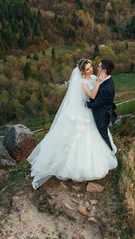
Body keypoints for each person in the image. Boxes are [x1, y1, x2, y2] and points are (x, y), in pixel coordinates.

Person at [27, 58, 117, 189]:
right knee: (80, 137)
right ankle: (73, 166)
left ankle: (106, 153)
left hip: (93, 112)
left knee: (96, 134)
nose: (91, 69)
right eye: (88, 69)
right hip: (85, 110)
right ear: (82, 71)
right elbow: (92, 96)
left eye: (91, 67)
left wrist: (98, 81)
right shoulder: (81, 82)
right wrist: (97, 84)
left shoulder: (94, 77)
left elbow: (101, 92)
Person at [86, 59, 117, 151]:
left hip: (101, 116)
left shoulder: (107, 88)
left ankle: (110, 154)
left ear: (104, 71)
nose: (97, 68)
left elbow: (95, 105)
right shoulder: (104, 80)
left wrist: (81, 103)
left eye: (99, 67)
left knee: (103, 136)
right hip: (102, 111)